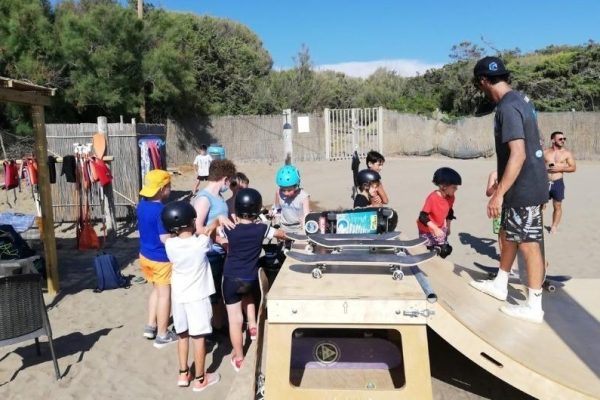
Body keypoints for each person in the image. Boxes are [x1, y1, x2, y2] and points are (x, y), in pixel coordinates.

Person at [470, 56, 549, 323]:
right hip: (526, 182)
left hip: (523, 185)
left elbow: (518, 154)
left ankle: (534, 306)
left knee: (528, 243)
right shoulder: (521, 100)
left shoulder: (507, 107)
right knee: (507, 231)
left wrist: (498, 192)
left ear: (483, 81)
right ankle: (501, 282)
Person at [222, 188, 286, 371]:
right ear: (257, 209)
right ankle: (253, 327)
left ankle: (240, 357)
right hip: (250, 277)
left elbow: (216, 237)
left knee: (234, 319)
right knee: (248, 295)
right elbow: (280, 234)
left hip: (230, 278)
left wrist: (220, 220)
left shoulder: (229, 229)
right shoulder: (261, 228)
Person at [161, 201, 221, 391]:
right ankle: (200, 378)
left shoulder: (170, 244)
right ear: (191, 221)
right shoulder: (200, 243)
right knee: (199, 337)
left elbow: (181, 237)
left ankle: (183, 373)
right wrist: (218, 220)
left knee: (182, 335)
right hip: (198, 296)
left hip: (179, 296)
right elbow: (208, 233)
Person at [192, 159, 237, 331]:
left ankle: (219, 324)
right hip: (211, 253)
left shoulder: (219, 197)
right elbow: (197, 229)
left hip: (221, 251)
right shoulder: (204, 199)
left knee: (219, 290)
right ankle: (216, 327)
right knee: (214, 294)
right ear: (225, 178)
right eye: (230, 181)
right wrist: (219, 239)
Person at [137, 169, 178, 348]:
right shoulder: (162, 210)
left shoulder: (141, 205)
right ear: (162, 189)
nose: (170, 189)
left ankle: (150, 325)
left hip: (145, 255)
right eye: (169, 186)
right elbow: (165, 239)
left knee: (155, 290)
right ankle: (162, 334)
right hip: (160, 259)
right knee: (164, 296)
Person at [417, 167, 461, 259]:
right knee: (429, 251)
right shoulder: (433, 197)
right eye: (454, 187)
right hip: (427, 229)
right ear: (444, 186)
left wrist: (448, 227)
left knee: (445, 250)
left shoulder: (451, 197)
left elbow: (449, 212)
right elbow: (422, 216)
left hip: (440, 227)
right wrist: (435, 229)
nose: (456, 189)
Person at [544, 131, 576, 234]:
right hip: (544, 182)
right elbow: (536, 166)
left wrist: (561, 168)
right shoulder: (545, 152)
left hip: (558, 182)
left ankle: (554, 226)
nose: (563, 141)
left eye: (564, 139)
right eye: (560, 139)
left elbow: (573, 167)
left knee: (557, 205)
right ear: (553, 140)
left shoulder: (566, 153)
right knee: (540, 205)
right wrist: (545, 168)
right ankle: (537, 224)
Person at [487, 170, 518, 276]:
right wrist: (495, 186)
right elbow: (488, 193)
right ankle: (505, 263)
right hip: (498, 208)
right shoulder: (494, 174)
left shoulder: (515, 170)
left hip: (513, 206)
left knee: (513, 235)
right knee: (501, 237)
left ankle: (513, 264)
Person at [273, 164, 310, 234]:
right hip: (283, 227)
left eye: (289, 190)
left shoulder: (304, 197)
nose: (286, 193)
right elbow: (277, 208)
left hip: (299, 228)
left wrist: (304, 225)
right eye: (283, 190)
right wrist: (276, 222)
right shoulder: (278, 192)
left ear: (296, 186)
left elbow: (306, 215)